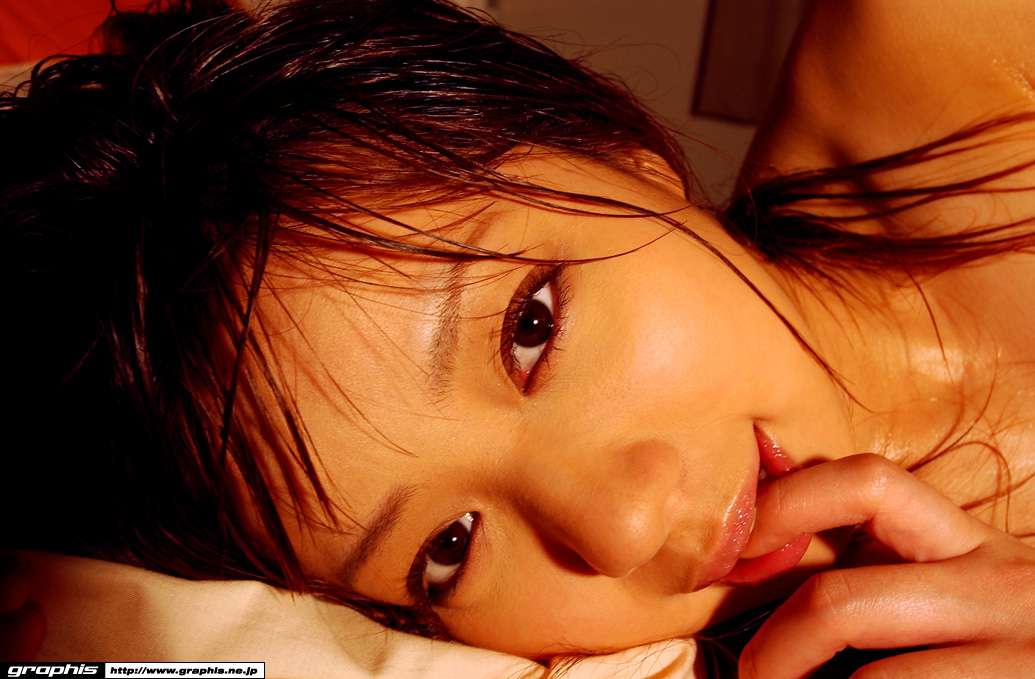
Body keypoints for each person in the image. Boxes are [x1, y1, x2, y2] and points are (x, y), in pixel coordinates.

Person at [2, 0, 1035, 675]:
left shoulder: (947, 40)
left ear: (612, 149)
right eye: (448, 548)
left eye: (531, 329)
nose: (621, 527)